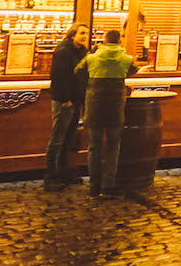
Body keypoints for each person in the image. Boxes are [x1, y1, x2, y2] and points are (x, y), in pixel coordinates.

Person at [75, 29, 137, 198]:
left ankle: (94, 186)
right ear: (119, 41)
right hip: (115, 107)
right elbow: (133, 70)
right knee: (113, 147)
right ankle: (108, 185)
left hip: (94, 105)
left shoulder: (92, 57)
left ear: (104, 40)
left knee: (93, 147)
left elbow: (78, 71)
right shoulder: (125, 58)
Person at [44, 23, 89, 191]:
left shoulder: (82, 51)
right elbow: (58, 77)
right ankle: (50, 176)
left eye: (86, 33)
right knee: (57, 138)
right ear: (72, 35)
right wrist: (66, 99)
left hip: (76, 100)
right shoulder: (63, 51)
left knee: (68, 137)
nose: (85, 36)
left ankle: (63, 172)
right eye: (81, 33)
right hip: (64, 101)